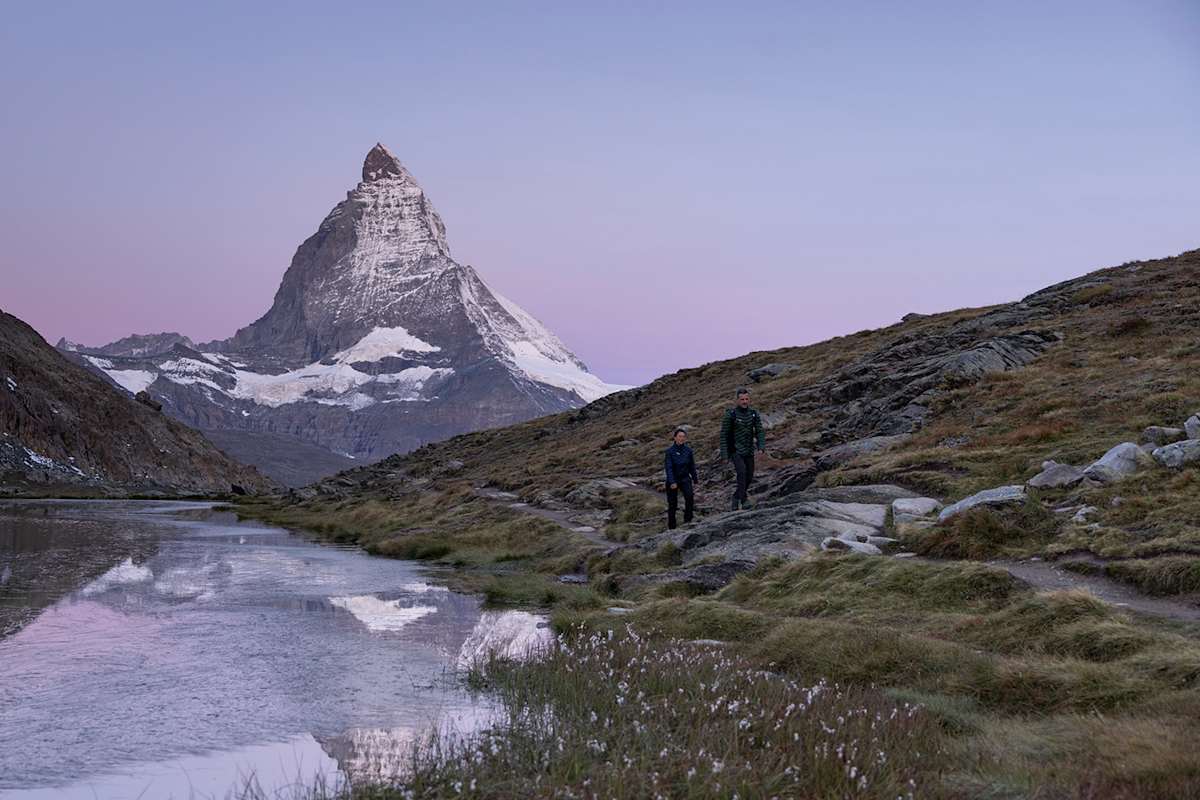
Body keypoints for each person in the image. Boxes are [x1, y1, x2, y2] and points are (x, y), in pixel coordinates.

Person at [720, 387, 765, 510]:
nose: (744, 402)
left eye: (746, 399)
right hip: (735, 450)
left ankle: (736, 497)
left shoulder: (754, 413)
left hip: (749, 449)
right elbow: (724, 435)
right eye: (742, 399)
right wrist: (724, 455)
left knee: (749, 477)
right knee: (741, 472)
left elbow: (759, 430)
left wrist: (761, 447)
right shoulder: (731, 414)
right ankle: (744, 500)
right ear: (737, 400)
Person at [663, 427, 698, 530]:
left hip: (685, 478)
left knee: (690, 497)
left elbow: (692, 466)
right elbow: (668, 467)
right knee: (673, 504)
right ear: (675, 438)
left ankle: (688, 521)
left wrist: (695, 480)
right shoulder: (669, 451)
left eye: (683, 437)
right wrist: (672, 481)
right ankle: (672, 527)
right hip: (673, 479)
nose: (682, 438)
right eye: (679, 436)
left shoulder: (688, 451)